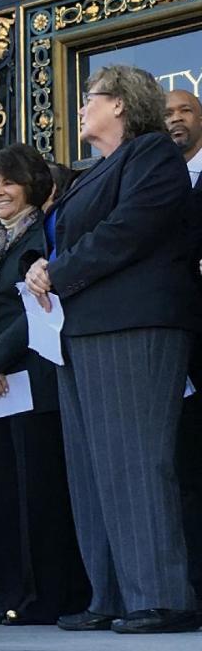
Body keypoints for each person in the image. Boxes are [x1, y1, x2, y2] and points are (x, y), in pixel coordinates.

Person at [25, 65, 201, 634]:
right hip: (81, 331)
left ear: (121, 104)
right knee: (93, 469)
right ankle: (112, 595)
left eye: (90, 98)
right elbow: (71, 240)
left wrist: (61, 269)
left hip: (135, 323)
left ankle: (162, 596)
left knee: (136, 461)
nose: (80, 108)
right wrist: (42, 267)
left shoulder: (152, 154)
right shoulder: (91, 173)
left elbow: (129, 230)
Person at [0, 143, 88, 625]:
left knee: (40, 494)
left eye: (7, 181)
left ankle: (46, 596)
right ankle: (8, 593)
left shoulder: (45, 234)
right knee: (3, 496)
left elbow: (36, 310)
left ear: (31, 185)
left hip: (32, 376)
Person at [165, 88, 202, 609]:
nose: (175, 120)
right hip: (175, 347)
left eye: (185, 110)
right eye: (166, 113)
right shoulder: (158, 181)